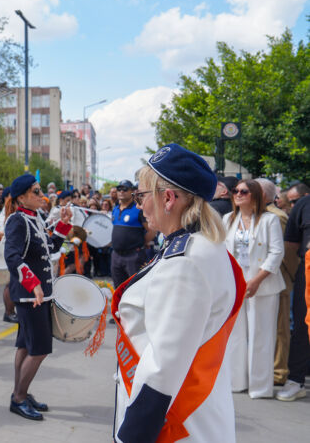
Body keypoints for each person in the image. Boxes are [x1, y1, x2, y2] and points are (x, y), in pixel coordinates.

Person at [113, 143, 244, 442]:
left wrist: (132, 436)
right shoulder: (199, 246)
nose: (139, 206)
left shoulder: (185, 262)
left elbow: (162, 367)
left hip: (174, 423)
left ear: (168, 198)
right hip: (191, 410)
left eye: (142, 196)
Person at [3, 174, 72, 421]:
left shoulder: (34, 217)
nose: (41, 195)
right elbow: (11, 256)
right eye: (36, 191)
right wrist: (33, 284)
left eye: (40, 190)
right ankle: (19, 398)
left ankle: (20, 392)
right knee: (40, 349)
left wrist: (63, 224)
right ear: (21, 198)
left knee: (25, 346)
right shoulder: (17, 220)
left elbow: (50, 249)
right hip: (29, 295)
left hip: (38, 294)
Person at [223, 179, 284, 398]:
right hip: (236, 283)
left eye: (244, 191)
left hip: (263, 284)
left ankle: (259, 387)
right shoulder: (228, 219)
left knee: (262, 336)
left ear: (255, 195)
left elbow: (277, 252)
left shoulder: (269, 220)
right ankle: (236, 381)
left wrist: (257, 280)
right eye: (235, 191)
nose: (238, 194)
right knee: (235, 336)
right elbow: (222, 252)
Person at [256, 178, 294, 386]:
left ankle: (278, 371)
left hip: (278, 277)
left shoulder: (275, 217)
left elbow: (285, 252)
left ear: (262, 195)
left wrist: (291, 277)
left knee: (279, 326)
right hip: (260, 278)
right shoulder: (257, 215)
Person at [277, 184, 310, 401]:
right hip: (307, 274)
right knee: (302, 325)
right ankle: (296, 380)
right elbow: (291, 243)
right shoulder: (304, 204)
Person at [110, 179, 154, 287]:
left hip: (133, 256)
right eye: (119, 189)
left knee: (135, 287)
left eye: (125, 189)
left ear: (132, 191)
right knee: (118, 288)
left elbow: (152, 230)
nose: (121, 191)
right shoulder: (115, 209)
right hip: (116, 255)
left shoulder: (138, 209)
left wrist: (142, 243)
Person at [0, 188, 18, 323]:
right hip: (9, 250)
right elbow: (4, 232)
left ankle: (11, 311)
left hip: (14, 250)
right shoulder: (4, 214)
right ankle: (8, 312)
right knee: (9, 283)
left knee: (13, 282)